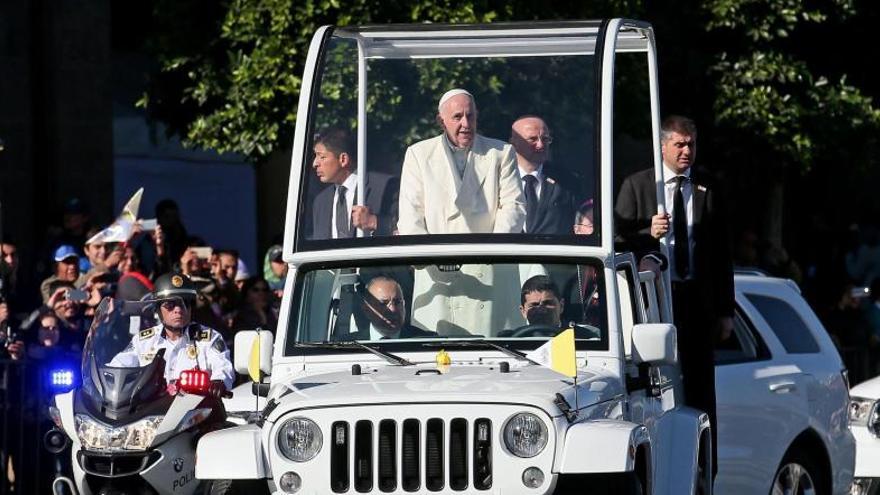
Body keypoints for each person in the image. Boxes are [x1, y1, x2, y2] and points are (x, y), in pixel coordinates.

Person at [615, 115, 733, 476]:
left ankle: (702, 471)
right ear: (662, 146)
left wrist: (726, 310)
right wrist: (645, 232)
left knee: (699, 389)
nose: (686, 151)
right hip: (655, 304)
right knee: (655, 386)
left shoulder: (706, 189)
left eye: (691, 144)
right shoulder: (638, 185)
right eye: (679, 144)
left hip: (697, 301)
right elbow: (616, 241)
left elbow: (720, 254)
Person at [397, 89, 525, 234]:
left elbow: (513, 206)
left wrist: (493, 249)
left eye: (470, 116)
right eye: (457, 117)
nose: (466, 123)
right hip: (436, 252)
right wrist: (428, 254)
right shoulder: (419, 154)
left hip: (486, 252)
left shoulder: (501, 152)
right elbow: (411, 214)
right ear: (441, 121)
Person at [109, 273, 234, 396]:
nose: (178, 310)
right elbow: (118, 366)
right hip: (152, 411)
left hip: (196, 411)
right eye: (170, 305)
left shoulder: (208, 338)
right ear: (158, 309)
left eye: (185, 303)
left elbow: (223, 366)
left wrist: (219, 381)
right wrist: (106, 377)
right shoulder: (143, 341)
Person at [309, 128, 399, 239]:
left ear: (343, 159)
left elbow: (410, 229)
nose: (315, 163)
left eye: (322, 157)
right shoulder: (321, 202)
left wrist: (374, 222)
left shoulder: (386, 187)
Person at [509, 115, 576, 235]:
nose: (540, 145)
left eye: (545, 139)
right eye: (532, 139)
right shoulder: (499, 179)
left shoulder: (567, 181)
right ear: (514, 143)